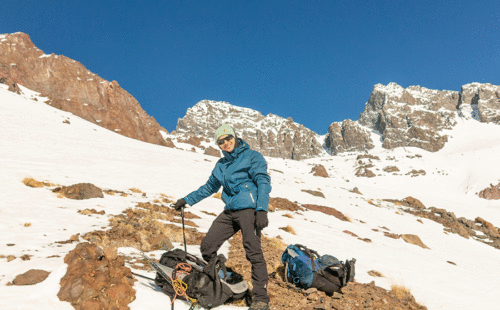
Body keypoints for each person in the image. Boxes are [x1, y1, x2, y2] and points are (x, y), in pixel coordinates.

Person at [174, 124, 272, 310]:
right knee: (208, 246)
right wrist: (186, 200)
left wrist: (262, 209)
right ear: (218, 145)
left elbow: (262, 181)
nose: (226, 143)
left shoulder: (252, 156)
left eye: (228, 138)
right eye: (221, 141)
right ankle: (225, 278)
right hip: (230, 210)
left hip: (249, 210)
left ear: (235, 137)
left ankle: (261, 299)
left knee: (253, 251)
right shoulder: (221, 165)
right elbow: (209, 187)